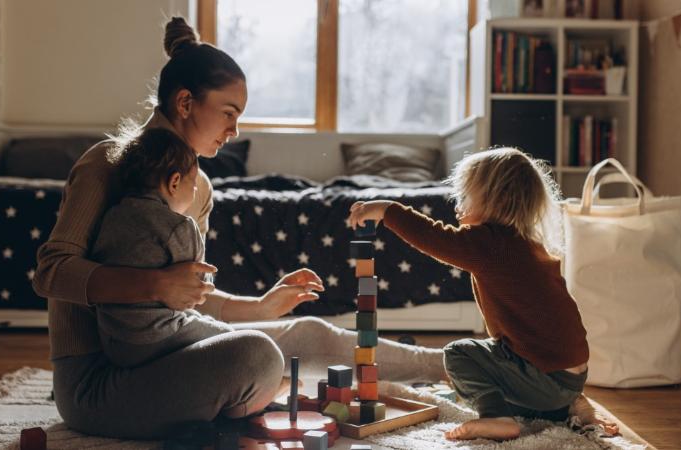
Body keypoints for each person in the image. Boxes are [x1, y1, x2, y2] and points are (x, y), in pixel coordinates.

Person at [33, 17, 445, 440]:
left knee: (307, 333)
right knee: (255, 357)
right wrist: (154, 285)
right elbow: (51, 272)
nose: (234, 131)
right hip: (97, 383)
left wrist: (261, 307)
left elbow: (190, 297)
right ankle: (240, 402)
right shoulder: (106, 163)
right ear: (185, 102)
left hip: (168, 351)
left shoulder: (201, 188)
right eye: (228, 114)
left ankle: (448, 365)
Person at [347, 148, 619, 441]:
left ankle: (496, 417)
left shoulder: (491, 243)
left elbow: (433, 237)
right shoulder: (525, 243)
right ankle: (565, 406)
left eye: (465, 198)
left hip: (545, 376)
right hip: (570, 376)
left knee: (459, 354)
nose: (457, 208)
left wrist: (388, 209)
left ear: (494, 200)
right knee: (492, 370)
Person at [91, 128, 233, 368]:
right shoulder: (179, 225)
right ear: (174, 182)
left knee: (196, 321)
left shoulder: (112, 215)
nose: (195, 192)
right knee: (233, 339)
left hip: (114, 341)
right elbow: (198, 285)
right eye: (194, 186)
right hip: (159, 335)